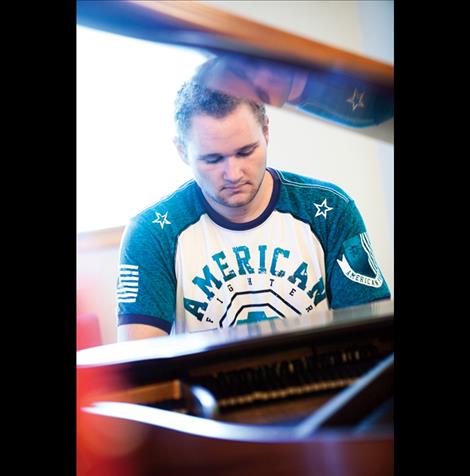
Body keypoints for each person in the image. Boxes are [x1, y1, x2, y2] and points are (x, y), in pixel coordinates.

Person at [116, 61, 391, 341]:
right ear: (182, 151)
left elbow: (376, 339)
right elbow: (139, 367)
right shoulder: (151, 234)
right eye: (212, 159)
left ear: (266, 131)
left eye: (246, 152)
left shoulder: (331, 210)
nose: (233, 174)